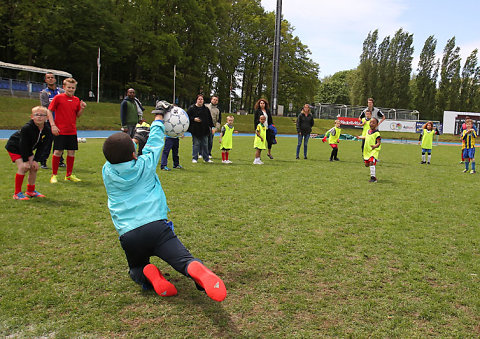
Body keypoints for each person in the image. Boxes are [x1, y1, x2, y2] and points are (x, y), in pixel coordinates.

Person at [101, 101, 227, 301]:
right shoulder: (146, 164)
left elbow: (124, 153)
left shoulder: (107, 172)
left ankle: (149, 274)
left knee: (136, 268)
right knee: (185, 260)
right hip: (157, 227)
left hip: (129, 234)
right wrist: (158, 117)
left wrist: (135, 138)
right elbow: (154, 143)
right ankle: (197, 271)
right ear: (134, 154)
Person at [5, 106, 51, 200]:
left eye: (42, 115)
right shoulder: (27, 128)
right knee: (23, 167)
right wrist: (26, 161)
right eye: (36, 115)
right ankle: (17, 194)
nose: (39, 117)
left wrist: (36, 160)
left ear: (46, 117)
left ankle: (30, 191)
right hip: (15, 147)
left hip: (27, 148)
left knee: (34, 168)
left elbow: (42, 146)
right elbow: (23, 144)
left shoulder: (47, 130)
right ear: (32, 116)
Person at [47, 77, 86, 183]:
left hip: (72, 130)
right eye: (69, 87)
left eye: (73, 88)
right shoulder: (58, 98)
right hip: (60, 130)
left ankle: (68, 175)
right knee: (58, 151)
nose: (71, 89)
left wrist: (82, 108)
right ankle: (54, 175)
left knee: (71, 152)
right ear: (64, 87)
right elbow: (49, 111)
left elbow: (77, 115)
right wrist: (53, 125)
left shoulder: (76, 100)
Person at [39, 72, 65, 169]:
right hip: (50, 121)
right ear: (45, 80)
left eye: (52, 77)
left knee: (59, 142)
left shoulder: (61, 91)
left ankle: (60, 161)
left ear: (55, 79)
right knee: (47, 142)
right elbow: (46, 106)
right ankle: (43, 161)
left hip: (61, 121)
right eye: (48, 78)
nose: (50, 79)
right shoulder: (44, 93)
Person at [187, 94, 214, 163]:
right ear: (196, 100)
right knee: (196, 144)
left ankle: (206, 158)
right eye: (199, 99)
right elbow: (187, 118)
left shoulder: (206, 109)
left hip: (204, 130)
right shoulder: (191, 108)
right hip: (195, 130)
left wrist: (211, 127)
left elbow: (209, 119)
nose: (200, 100)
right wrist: (194, 119)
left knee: (205, 144)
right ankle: (195, 158)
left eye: (201, 99)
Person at [357, 117, 381, 182]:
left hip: (374, 150)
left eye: (373, 122)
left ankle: (373, 178)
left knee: (371, 162)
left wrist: (375, 146)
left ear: (376, 125)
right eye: (370, 122)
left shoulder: (377, 133)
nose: (371, 123)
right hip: (367, 150)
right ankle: (373, 176)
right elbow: (366, 137)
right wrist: (360, 137)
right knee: (367, 164)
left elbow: (379, 143)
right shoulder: (368, 131)